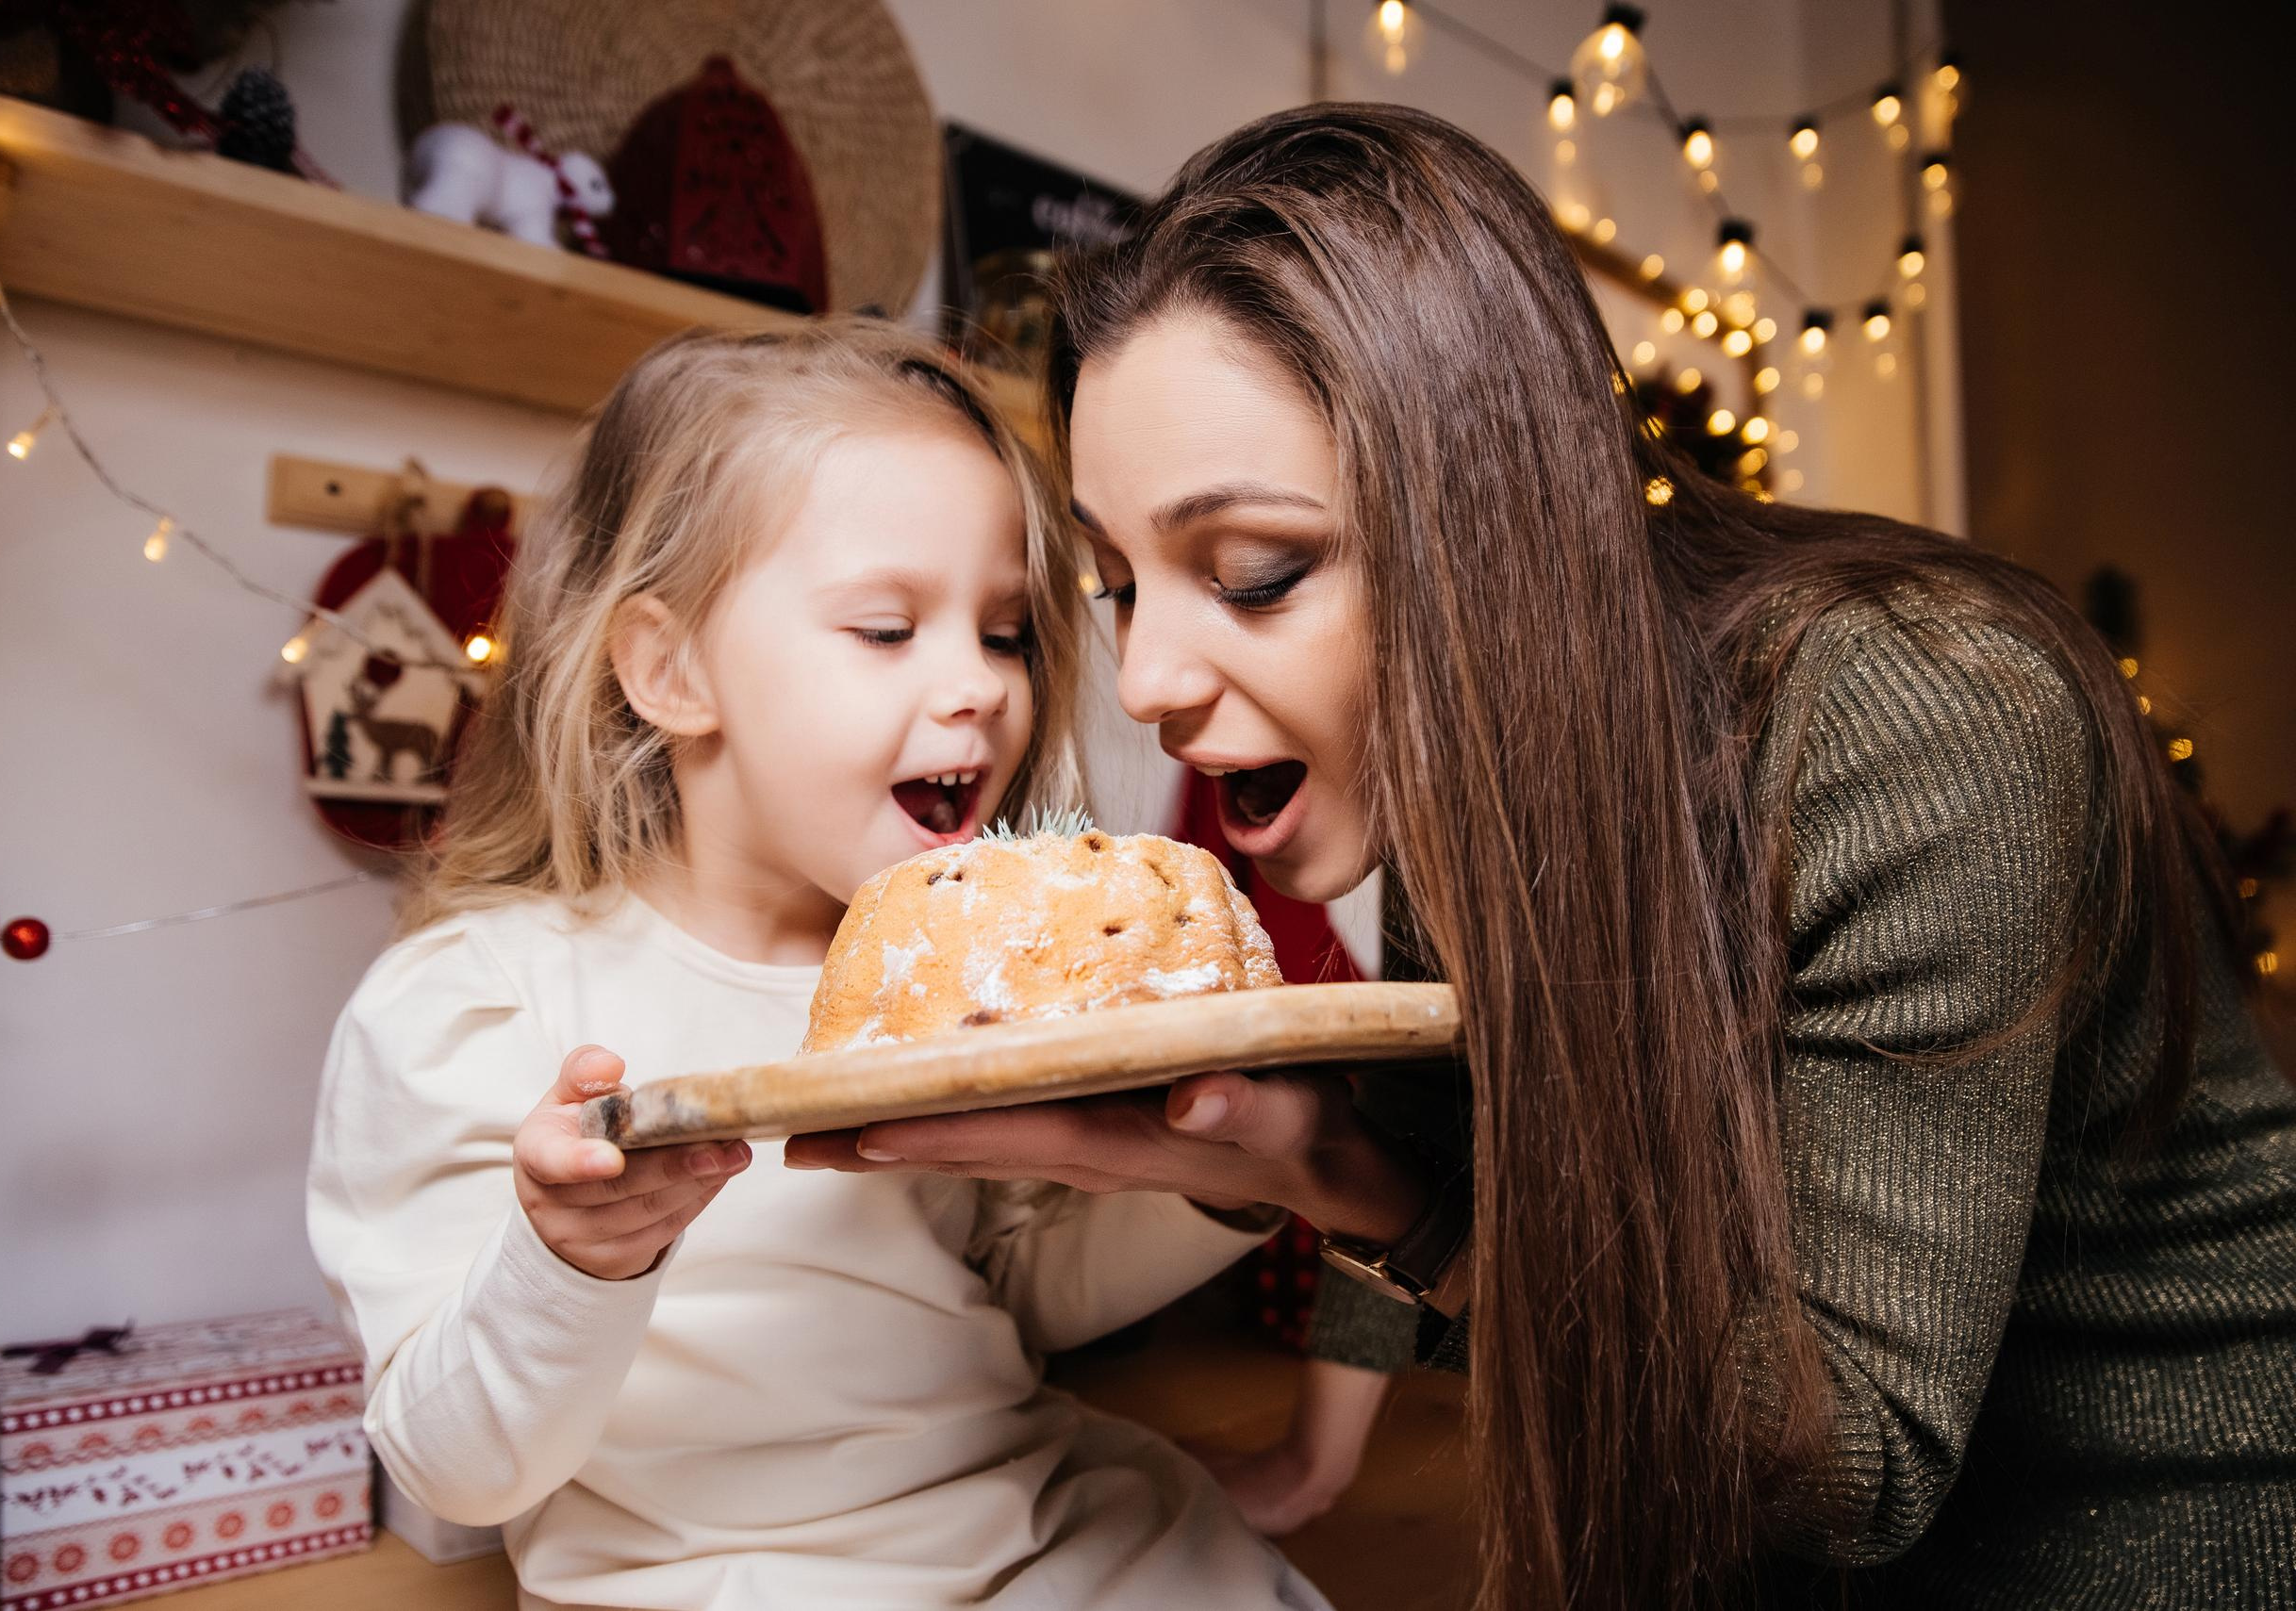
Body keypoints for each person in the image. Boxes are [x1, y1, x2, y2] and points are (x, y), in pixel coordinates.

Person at [785, 107, 2296, 1607]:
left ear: (1488, 527)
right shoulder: (1458, 790)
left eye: (1254, 573)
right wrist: (1317, 1196)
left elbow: (1856, 1461)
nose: (1146, 680)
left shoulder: (1921, 711)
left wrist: (1342, 1172)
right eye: (1121, 582)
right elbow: (1480, 1198)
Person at [307, 321, 1331, 1610]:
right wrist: (571, 1259)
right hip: (708, 1576)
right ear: (671, 669)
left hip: (1037, 1521)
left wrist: (1225, 1179)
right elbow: (457, 1469)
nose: (978, 686)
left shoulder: (962, 986)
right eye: (888, 627)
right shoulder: (480, 1001)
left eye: (1007, 631)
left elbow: (1021, 1296)